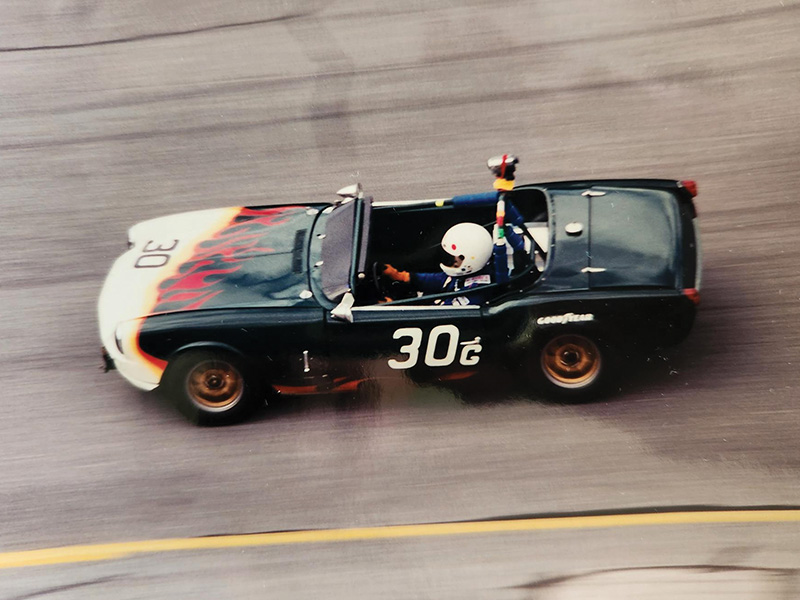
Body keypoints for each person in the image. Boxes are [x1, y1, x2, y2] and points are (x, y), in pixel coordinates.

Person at [382, 222, 499, 306]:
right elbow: (442, 279)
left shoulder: (474, 293)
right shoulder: (464, 274)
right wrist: (403, 276)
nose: (446, 260)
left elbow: (440, 313)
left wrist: (394, 307)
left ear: (469, 261)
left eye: (450, 259)